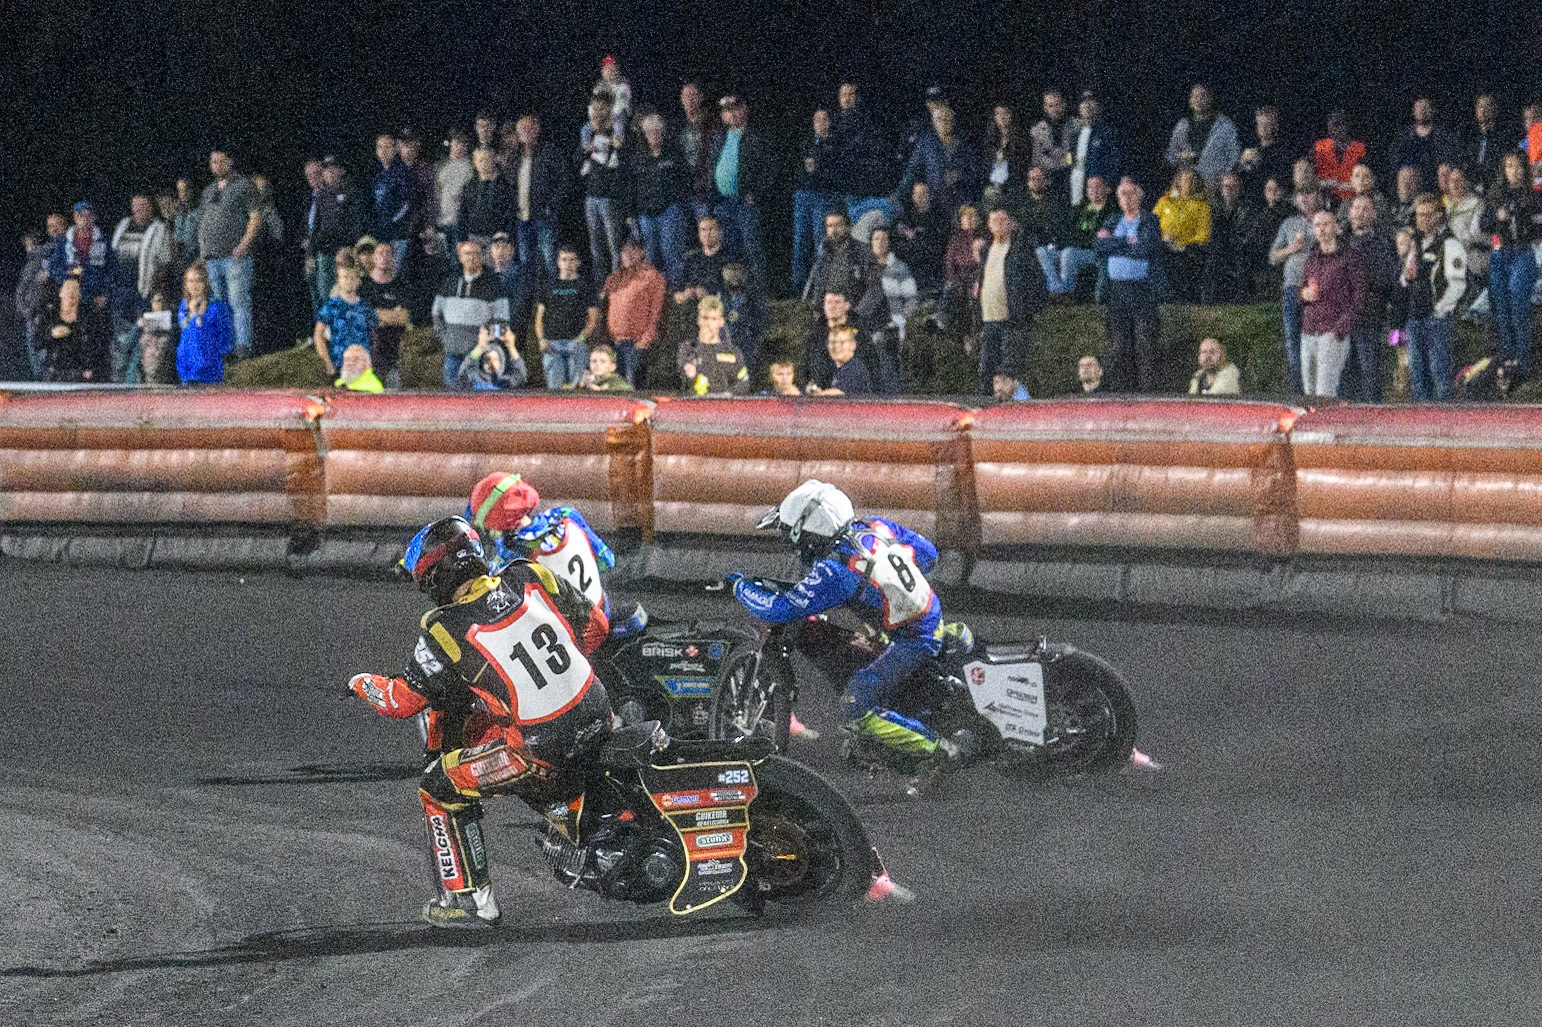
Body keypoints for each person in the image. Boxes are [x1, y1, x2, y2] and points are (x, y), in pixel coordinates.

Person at [346, 516, 611, 930]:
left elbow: (402, 701)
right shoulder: (528, 573)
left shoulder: (442, 627)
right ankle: (571, 816)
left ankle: (469, 902)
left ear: (438, 577)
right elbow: (596, 628)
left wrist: (361, 683)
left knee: (438, 785)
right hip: (598, 710)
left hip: (542, 750)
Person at [730, 481, 948, 766]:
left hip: (912, 639)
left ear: (810, 533)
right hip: (930, 614)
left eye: (794, 537)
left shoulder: (835, 572)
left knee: (853, 708)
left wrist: (739, 587)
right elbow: (929, 555)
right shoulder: (876, 526)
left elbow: (778, 610)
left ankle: (938, 749)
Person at [465, 474, 620, 628]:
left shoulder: (512, 556)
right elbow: (607, 560)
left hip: (576, 635)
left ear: (495, 523)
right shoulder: (566, 515)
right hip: (603, 608)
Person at [1093, 178, 1163, 392]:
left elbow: (1145, 248)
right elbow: (1099, 246)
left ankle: (1148, 392)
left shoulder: (1150, 220)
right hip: (1116, 290)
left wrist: (1115, 243)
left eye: (1131, 193)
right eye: (1122, 194)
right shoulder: (1113, 219)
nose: (1127, 198)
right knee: (1118, 344)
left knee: (1145, 344)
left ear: (1139, 196)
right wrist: (1126, 242)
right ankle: (1118, 390)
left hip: (1141, 290)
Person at [975, 206, 1047, 395]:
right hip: (989, 319)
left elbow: (1037, 282)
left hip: (1012, 320)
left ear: (1011, 223)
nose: (998, 225)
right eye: (994, 221)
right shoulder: (986, 251)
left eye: (1002, 220)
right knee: (986, 369)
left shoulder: (1020, 249)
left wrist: (1025, 313)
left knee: (1009, 372)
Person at [197, 152, 262, 360]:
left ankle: (242, 348)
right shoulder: (208, 190)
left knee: (238, 302)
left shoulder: (244, 185)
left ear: (230, 162)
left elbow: (255, 216)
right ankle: (225, 349)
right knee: (219, 305)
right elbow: (204, 221)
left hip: (235, 257)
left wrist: (245, 244)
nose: (215, 165)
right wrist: (203, 251)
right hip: (212, 258)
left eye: (220, 161)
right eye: (212, 162)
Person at [1403, 193, 1468, 402]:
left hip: (1436, 318)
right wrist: (1405, 277)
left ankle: (1445, 419)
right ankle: (1421, 419)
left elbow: (1458, 284)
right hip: (1415, 315)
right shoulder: (1416, 243)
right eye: (1420, 215)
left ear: (1440, 215)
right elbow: (1404, 278)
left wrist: (1440, 309)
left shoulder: (1450, 244)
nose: (1423, 219)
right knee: (1417, 372)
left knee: (1439, 371)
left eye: (1428, 215)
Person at [1483, 151, 1542, 370]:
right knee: (1501, 307)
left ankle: (1522, 361)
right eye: (1509, 166)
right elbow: (1484, 223)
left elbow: (1538, 227)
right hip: (1500, 254)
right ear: (1504, 170)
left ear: (1524, 169)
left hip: (1522, 253)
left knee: (1518, 304)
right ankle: (1506, 358)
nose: (1514, 171)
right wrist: (1496, 217)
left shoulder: (1534, 195)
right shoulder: (1496, 194)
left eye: (1517, 166)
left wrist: (1525, 218)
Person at [109, 194, 172, 382]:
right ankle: (118, 384)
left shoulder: (159, 229)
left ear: (151, 207)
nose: (139, 210)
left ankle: (136, 384)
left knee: (143, 343)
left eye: (143, 206)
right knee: (120, 343)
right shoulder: (123, 226)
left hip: (145, 294)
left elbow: (165, 263)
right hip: (121, 294)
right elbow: (113, 257)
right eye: (135, 206)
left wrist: (156, 293)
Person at [1343, 195, 1399, 402]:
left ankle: (1373, 415)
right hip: (1345, 319)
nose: (1359, 213)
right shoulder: (1341, 243)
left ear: (1374, 214)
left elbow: (1386, 278)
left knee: (1370, 373)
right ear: (1349, 213)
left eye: (1365, 209)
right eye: (1356, 208)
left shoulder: (1382, 244)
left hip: (1370, 318)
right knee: (1346, 374)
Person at [432, 240, 509, 389]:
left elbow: (503, 319)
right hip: (453, 353)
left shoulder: (494, 285)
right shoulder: (449, 282)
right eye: (467, 253)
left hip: (481, 355)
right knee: (452, 397)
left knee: (481, 399)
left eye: (476, 254)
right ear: (460, 257)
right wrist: (445, 337)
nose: (471, 257)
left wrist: (492, 341)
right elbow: (436, 313)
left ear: (482, 257)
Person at [712, 95, 774, 273]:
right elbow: (713, 167)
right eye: (726, 110)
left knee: (752, 250)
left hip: (744, 203)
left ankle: (757, 293)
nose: (731, 114)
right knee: (729, 250)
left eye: (735, 109)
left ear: (744, 109)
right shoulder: (720, 136)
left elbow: (771, 168)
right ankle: (734, 293)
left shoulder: (756, 135)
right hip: (723, 202)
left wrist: (755, 192)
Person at [630, 113, 693, 289]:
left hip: (669, 211)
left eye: (657, 131)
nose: (653, 135)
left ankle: (675, 292)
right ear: (644, 134)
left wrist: (677, 203)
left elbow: (684, 180)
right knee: (650, 258)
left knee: (671, 254)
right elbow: (632, 187)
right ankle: (653, 294)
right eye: (649, 132)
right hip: (646, 214)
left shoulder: (673, 154)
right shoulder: (638, 157)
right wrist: (632, 213)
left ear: (663, 132)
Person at [1269, 189, 1322, 393]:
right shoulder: (1289, 224)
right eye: (1301, 195)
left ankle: (1317, 392)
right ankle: (1297, 392)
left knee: (1316, 340)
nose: (1306, 198)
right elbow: (1273, 257)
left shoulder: (1323, 220)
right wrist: (1290, 249)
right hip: (1292, 288)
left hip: (1316, 287)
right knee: (1293, 342)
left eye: (1310, 193)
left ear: (1318, 196)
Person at [601, 238, 666, 386]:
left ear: (642, 252)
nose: (628, 254)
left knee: (632, 387)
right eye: (624, 250)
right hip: (614, 342)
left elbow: (657, 310)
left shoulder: (652, 276)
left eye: (633, 250)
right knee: (612, 387)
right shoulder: (615, 277)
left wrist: (646, 338)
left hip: (636, 342)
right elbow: (605, 306)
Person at [307, 156, 366, 315]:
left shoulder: (352, 192)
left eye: (333, 169)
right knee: (325, 294)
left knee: (347, 292)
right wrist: (310, 254)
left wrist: (348, 248)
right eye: (326, 170)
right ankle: (327, 332)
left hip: (345, 253)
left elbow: (357, 224)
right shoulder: (321, 195)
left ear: (342, 170)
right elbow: (315, 227)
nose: (330, 173)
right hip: (324, 253)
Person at [899, 102, 980, 216]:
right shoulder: (925, 142)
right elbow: (912, 169)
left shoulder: (965, 143)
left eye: (947, 119)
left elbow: (976, 171)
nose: (943, 123)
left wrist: (959, 175)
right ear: (933, 122)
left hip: (961, 195)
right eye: (939, 119)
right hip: (933, 197)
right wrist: (899, 193)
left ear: (953, 121)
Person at [535, 246, 599, 389]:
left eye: (571, 260)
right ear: (558, 262)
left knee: (577, 390)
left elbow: (593, 319)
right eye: (564, 260)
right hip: (552, 344)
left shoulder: (587, 286)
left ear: (578, 263)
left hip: (575, 344)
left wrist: (581, 339)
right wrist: (541, 339)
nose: (568, 264)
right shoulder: (548, 285)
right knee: (555, 390)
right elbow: (539, 317)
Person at [579, 91, 626, 286]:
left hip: (610, 196)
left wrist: (619, 147)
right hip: (591, 195)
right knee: (595, 247)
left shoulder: (618, 130)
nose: (598, 112)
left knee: (614, 246)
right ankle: (600, 288)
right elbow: (579, 163)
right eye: (595, 108)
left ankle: (615, 287)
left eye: (602, 108)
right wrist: (585, 150)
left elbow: (624, 166)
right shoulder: (587, 131)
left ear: (610, 108)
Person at [793, 109, 841, 293]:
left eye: (824, 119)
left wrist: (817, 169)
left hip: (823, 196)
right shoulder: (806, 143)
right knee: (800, 243)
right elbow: (797, 167)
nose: (820, 123)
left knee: (821, 242)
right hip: (803, 195)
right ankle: (799, 291)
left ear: (829, 122)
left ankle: (821, 289)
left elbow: (836, 173)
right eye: (817, 120)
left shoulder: (835, 144)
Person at [1165, 84, 1241, 194]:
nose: (1199, 100)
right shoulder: (1182, 126)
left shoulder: (1225, 127)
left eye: (1203, 96)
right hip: (1185, 191)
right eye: (1195, 96)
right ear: (1190, 101)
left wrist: (1220, 180)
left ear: (1210, 99)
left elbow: (1234, 159)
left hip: (1214, 192)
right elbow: (1171, 157)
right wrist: (1181, 159)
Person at [1153, 168, 1212, 302]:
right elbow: (1152, 223)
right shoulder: (1165, 201)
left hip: (1186, 249)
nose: (1186, 183)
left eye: (1190, 181)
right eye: (1183, 180)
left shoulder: (1202, 206)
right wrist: (1162, 237)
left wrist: (1182, 244)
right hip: (1163, 244)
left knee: (1180, 262)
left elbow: (1203, 235)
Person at [313, 262, 379, 380]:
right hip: (338, 366)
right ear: (338, 281)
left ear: (359, 281)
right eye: (345, 277)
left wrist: (373, 362)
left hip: (362, 367)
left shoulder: (366, 307)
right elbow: (318, 335)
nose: (349, 281)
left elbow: (373, 336)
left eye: (353, 277)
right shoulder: (331, 306)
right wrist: (327, 362)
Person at [1204, 172, 1261, 304]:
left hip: (1241, 247)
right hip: (1221, 249)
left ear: (1239, 189)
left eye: (1233, 186)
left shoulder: (1247, 209)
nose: (1229, 190)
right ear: (1221, 190)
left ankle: (1241, 301)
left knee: (1241, 259)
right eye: (1226, 187)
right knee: (1212, 258)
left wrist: (1236, 242)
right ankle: (1210, 302)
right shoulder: (1216, 210)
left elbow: (1248, 234)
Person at [677, 295, 750, 395]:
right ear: (699, 320)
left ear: (721, 322)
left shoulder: (732, 351)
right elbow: (679, 380)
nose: (709, 323)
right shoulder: (687, 349)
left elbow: (744, 382)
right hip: (695, 406)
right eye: (705, 318)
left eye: (714, 319)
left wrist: (727, 395)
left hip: (725, 407)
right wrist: (690, 376)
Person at [360, 241, 410, 388]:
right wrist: (391, 314)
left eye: (388, 253)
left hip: (394, 354)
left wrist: (378, 314)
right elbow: (364, 315)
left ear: (394, 259)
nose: (385, 257)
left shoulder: (400, 286)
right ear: (373, 258)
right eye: (380, 253)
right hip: (368, 353)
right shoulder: (364, 286)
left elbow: (403, 318)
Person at [41, 275, 109, 382]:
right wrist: (52, 334)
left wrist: (88, 366)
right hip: (55, 370)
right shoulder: (51, 314)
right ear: (61, 293)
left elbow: (92, 345)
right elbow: (38, 343)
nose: (71, 296)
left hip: (79, 371)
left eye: (74, 292)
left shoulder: (88, 317)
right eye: (68, 291)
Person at [175, 263, 233, 385]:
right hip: (188, 370)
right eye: (190, 281)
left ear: (205, 282)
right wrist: (192, 313)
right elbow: (184, 327)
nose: (194, 285)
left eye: (198, 280)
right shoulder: (183, 305)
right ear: (185, 284)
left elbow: (225, 336)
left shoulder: (217, 306)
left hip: (211, 370)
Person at [678, 82, 722, 220]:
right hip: (684, 190)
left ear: (701, 98)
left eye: (693, 95)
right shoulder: (678, 126)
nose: (689, 100)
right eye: (685, 96)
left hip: (704, 191)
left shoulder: (712, 124)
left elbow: (715, 157)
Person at [1069, 90, 1120, 207]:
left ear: (1098, 105)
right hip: (1076, 194)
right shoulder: (1074, 136)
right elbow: (1070, 162)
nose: (1087, 105)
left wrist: (1109, 184)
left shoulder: (1107, 132)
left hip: (1099, 197)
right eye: (1083, 101)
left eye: (1091, 100)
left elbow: (1116, 162)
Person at [458, 146, 515, 247]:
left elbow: (510, 212)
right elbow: (463, 213)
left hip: (497, 238)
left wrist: (506, 233)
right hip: (473, 237)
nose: (483, 164)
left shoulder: (504, 185)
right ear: (475, 163)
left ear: (493, 161)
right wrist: (461, 238)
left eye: (487, 159)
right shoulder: (469, 185)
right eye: (480, 160)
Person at [1238, 105, 1293, 207]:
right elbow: (1245, 175)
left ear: (1275, 126)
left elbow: (1283, 178)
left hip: (1273, 203)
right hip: (1251, 202)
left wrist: (1261, 164)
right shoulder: (1251, 151)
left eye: (1267, 124)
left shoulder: (1283, 151)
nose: (1263, 128)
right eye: (1260, 124)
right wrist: (1243, 166)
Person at [1029, 90, 1077, 199]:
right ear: (1045, 108)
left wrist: (1053, 155)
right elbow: (1038, 159)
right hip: (1047, 182)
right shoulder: (1037, 130)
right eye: (1051, 106)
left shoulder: (1076, 126)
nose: (1055, 109)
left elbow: (1072, 156)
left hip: (1070, 178)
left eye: (1058, 104)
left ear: (1064, 104)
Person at [806, 324, 874, 396]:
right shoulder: (834, 369)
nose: (836, 347)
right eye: (832, 342)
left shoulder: (855, 368)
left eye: (842, 342)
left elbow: (839, 395)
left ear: (853, 345)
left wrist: (819, 395)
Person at [1313, 112, 1365, 205]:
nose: (1337, 129)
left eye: (1341, 124)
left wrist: (1350, 186)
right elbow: (1310, 175)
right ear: (1328, 127)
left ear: (1347, 126)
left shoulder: (1359, 149)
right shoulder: (1319, 148)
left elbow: (1365, 178)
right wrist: (1324, 183)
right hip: (1323, 198)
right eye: (1333, 125)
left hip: (1351, 199)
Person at [435, 129, 474, 249]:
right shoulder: (440, 166)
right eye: (457, 143)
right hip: (440, 221)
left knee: (457, 260)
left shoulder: (471, 167)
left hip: (459, 223)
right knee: (440, 260)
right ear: (451, 143)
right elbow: (435, 193)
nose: (459, 147)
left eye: (463, 144)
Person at [456, 326, 526, 391]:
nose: (491, 362)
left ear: (502, 362)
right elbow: (462, 374)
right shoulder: (474, 377)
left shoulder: (508, 381)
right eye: (487, 358)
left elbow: (521, 377)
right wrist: (480, 347)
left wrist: (511, 347)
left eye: (495, 359)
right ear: (481, 362)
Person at [136, 291, 175, 384]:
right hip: (148, 362)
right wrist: (141, 323)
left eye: (160, 301)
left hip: (162, 363)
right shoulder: (145, 317)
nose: (157, 304)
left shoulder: (170, 320)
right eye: (155, 301)